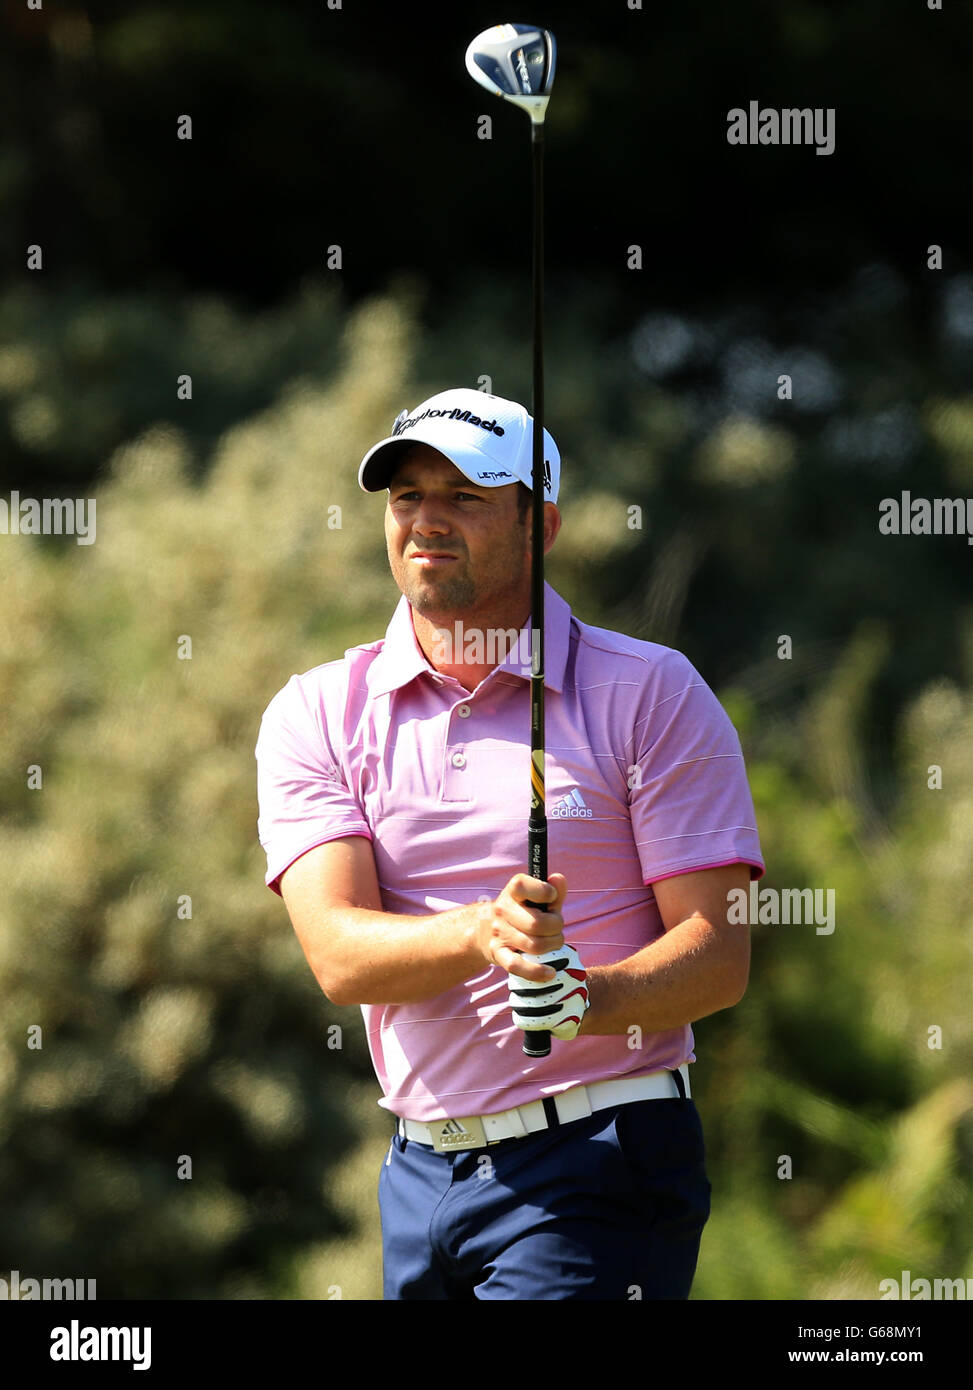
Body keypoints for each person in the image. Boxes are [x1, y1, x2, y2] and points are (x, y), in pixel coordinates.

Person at [255, 386, 765, 1300]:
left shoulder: (652, 692)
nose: (426, 522)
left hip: (598, 1157)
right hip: (417, 1171)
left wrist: (588, 997)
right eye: (407, 496)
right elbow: (337, 955)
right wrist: (481, 933)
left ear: (543, 526)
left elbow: (718, 955)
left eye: (466, 498)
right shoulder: (317, 712)